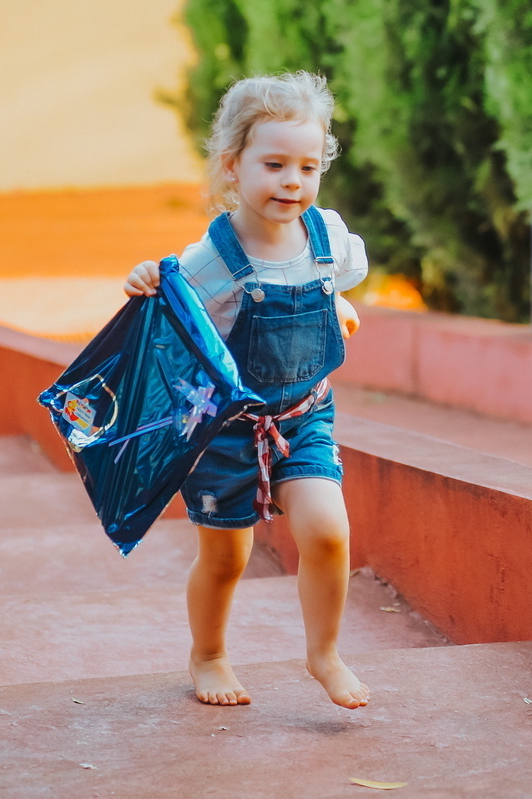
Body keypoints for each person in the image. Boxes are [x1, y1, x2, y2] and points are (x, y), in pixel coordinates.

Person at [123, 72, 369, 709]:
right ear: (233, 167)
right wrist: (149, 278)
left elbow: (331, 278)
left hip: (304, 416)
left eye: (308, 166)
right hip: (226, 433)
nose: (293, 181)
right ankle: (208, 655)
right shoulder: (213, 258)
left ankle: (324, 654)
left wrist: (334, 302)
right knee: (228, 557)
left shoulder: (328, 237)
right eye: (275, 164)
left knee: (328, 532)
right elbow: (175, 314)